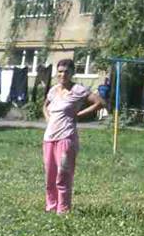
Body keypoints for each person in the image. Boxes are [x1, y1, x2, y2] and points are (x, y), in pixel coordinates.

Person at [41, 59, 104, 214]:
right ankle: (51, 206)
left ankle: (63, 209)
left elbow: (99, 102)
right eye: (60, 71)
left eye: (66, 71)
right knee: (50, 176)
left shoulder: (78, 90)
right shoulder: (53, 90)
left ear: (72, 73)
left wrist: (78, 114)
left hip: (66, 138)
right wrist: (48, 118)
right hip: (49, 138)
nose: (63, 74)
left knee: (63, 175)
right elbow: (45, 106)